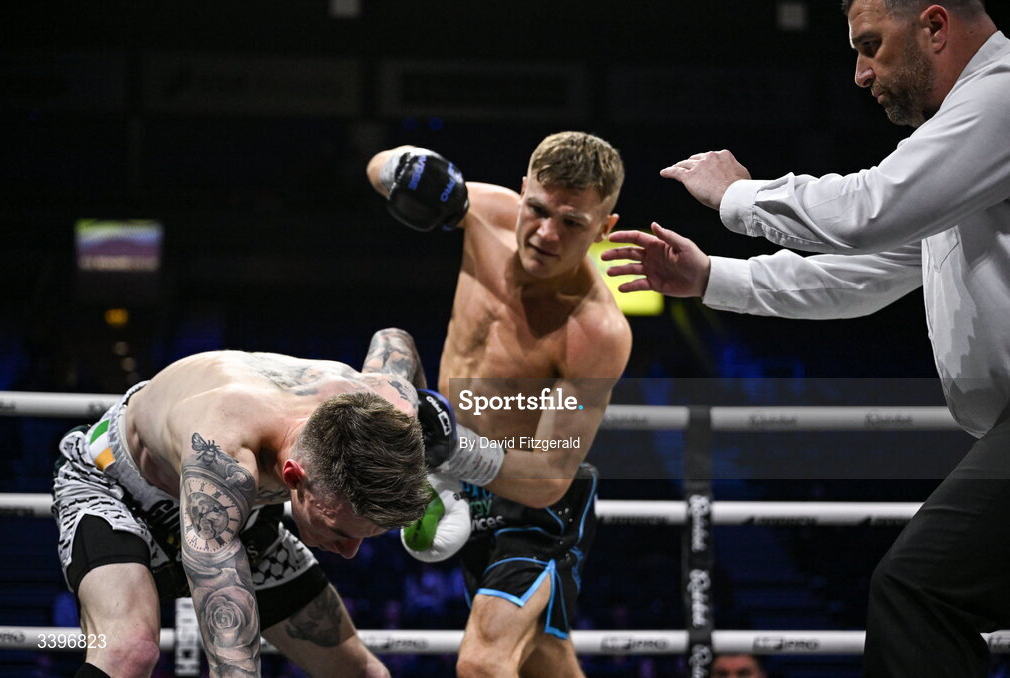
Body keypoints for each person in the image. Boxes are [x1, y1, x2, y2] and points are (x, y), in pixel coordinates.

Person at [601, 1, 1010, 675]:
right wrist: (708, 278)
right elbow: (861, 276)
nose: (858, 73)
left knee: (918, 591)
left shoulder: (999, 97)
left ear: (934, 27)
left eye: (871, 45)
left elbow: (867, 211)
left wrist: (738, 196)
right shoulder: (968, 142)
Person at [367, 131, 632, 678]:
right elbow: (377, 170)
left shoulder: (596, 331)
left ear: (604, 229)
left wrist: (456, 450)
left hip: (538, 508)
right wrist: (405, 164)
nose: (544, 233)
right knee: (542, 661)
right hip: (466, 487)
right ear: (522, 192)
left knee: (484, 663)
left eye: (572, 223)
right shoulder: (486, 212)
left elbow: (552, 476)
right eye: (536, 209)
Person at [51, 328, 432, 678]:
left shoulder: (389, 408)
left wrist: (437, 477)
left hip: (243, 516)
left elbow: (393, 339)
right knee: (128, 651)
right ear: (293, 478)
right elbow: (234, 668)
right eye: (339, 531)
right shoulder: (223, 452)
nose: (350, 552)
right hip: (117, 487)